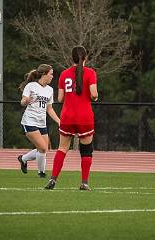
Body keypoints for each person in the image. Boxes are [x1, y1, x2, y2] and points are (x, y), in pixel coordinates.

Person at [45, 46, 98, 191]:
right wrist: (94, 96)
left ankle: (53, 179)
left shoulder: (64, 74)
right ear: (85, 58)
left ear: (71, 58)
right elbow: (93, 95)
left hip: (67, 116)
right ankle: (84, 183)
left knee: (62, 148)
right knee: (86, 150)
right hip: (84, 117)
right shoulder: (90, 73)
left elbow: (60, 98)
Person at [17, 64, 60, 178]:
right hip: (29, 121)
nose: (52, 77)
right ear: (43, 74)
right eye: (50, 74)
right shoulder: (31, 86)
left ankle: (23, 159)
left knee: (44, 149)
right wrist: (25, 101)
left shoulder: (50, 90)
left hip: (42, 123)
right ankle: (41, 173)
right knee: (43, 148)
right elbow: (22, 101)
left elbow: (49, 109)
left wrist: (59, 121)